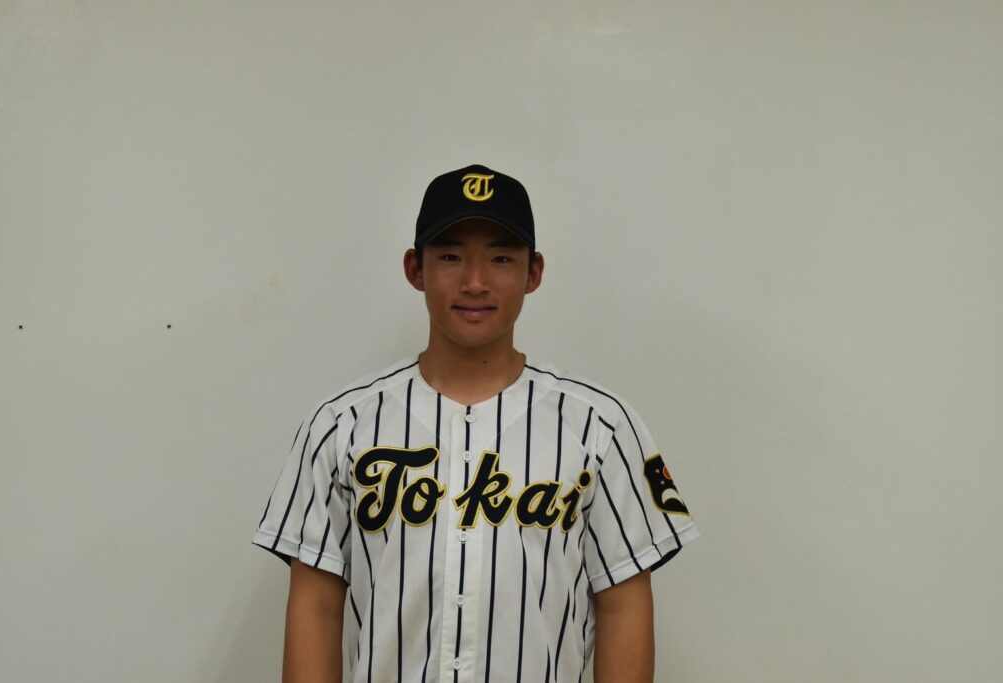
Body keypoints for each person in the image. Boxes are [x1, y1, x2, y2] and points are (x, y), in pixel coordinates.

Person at [252, 163, 701, 683]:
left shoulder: (601, 427)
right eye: (450, 256)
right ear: (415, 269)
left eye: (501, 257)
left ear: (533, 273)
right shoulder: (341, 426)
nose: (475, 282)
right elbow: (316, 608)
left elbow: (623, 605)